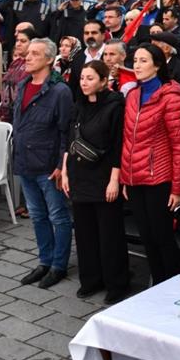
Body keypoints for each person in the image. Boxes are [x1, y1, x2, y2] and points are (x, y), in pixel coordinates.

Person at [60, 60, 130, 304]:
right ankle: (90, 280)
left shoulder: (115, 105)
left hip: (104, 177)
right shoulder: (78, 104)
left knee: (109, 235)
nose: (84, 82)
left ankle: (116, 284)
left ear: (103, 80)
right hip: (79, 175)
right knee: (85, 233)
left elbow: (117, 145)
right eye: (82, 78)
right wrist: (66, 171)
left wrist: (114, 180)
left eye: (90, 78)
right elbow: (70, 138)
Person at [120, 43, 180, 286]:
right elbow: (127, 139)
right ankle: (158, 285)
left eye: (143, 61)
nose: (137, 65)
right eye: (135, 60)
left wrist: (178, 189)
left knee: (162, 236)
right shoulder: (132, 95)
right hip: (134, 177)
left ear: (158, 65)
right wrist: (125, 178)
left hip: (159, 178)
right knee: (147, 236)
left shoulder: (170, 96)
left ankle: (171, 285)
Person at [12, 38, 75, 288]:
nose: (28, 57)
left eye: (35, 54)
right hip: (25, 161)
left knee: (58, 216)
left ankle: (59, 265)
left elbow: (65, 131)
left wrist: (62, 165)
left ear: (50, 59)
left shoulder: (60, 91)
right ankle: (44, 261)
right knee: (38, 215)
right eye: (27, 53)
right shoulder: (24, 83)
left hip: (48, 165)